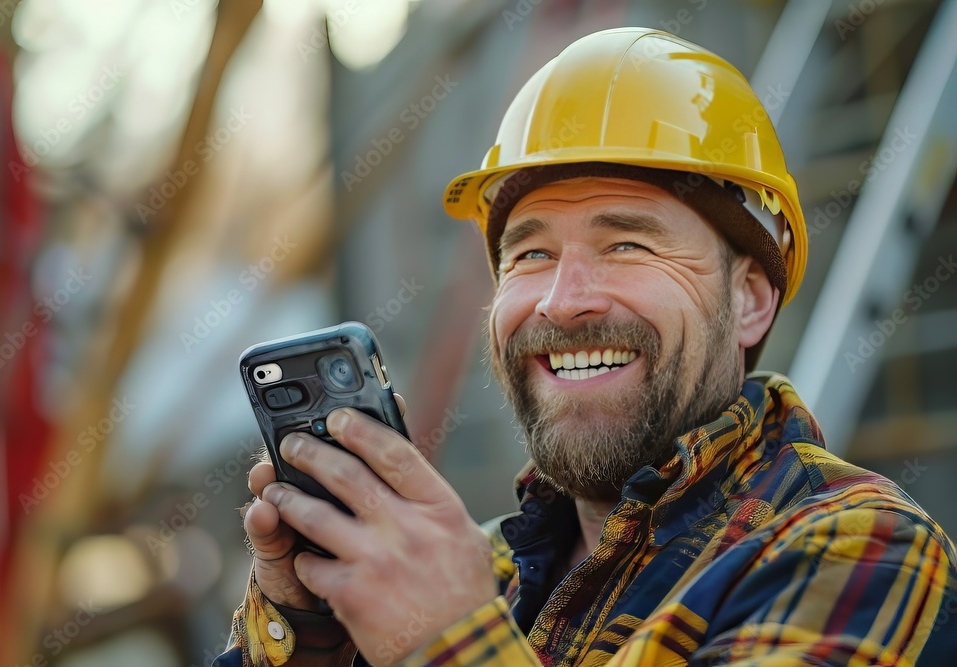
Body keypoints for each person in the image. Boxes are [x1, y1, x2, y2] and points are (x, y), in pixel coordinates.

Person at [214, 27, 957, 666]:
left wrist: (445, 637)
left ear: (750, 298)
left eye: (628, 242)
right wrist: (307, 629)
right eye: (529, 254)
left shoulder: (862, 548)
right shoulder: (487, 573)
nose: (563, 300)